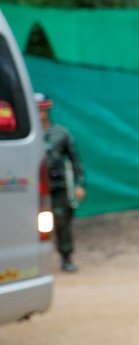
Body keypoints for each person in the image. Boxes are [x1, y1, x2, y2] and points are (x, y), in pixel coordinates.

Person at [36, 93, 85, 273]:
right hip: (33, 189)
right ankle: (35, 261)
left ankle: (66, 257)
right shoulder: (28, 134)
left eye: (42, 109)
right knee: (32, 225)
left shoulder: (60, 133)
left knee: (62, 222)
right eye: (36, 109)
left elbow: (75, 160)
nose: (39, 113)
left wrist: (80, 184)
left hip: (59, 187)